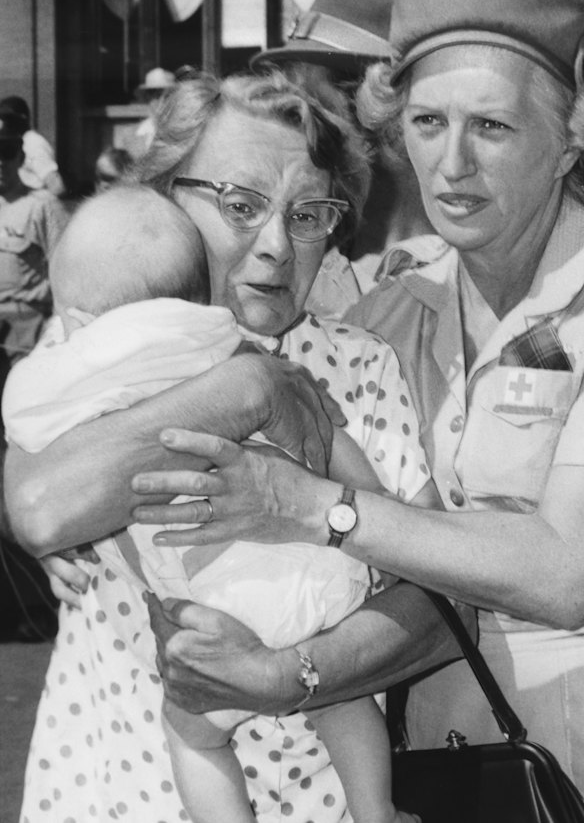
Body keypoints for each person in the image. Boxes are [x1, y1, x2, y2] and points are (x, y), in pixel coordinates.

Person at [113, 0, 584, 799]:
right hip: (437, 766)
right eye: (429, 123)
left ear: (569, 138)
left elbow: (564, 575)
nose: (453, 165)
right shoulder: (389, 314)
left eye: (494, 127)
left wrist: (313, 505)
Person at [5, 71, 445, 823]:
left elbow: (438, 597)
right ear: (166, 197)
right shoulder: (100, 347)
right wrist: (249, 391)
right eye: (241, 206)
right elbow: (43, 508)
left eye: (309, 214)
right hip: (110, 786)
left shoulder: (366, 365)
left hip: (316, 798)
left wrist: (286, 673)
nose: (276, 245)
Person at [251, 0, 432, 317]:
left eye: (309, 102)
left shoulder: (445, 244)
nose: (294, 122)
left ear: (366, 99)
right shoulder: (318, 225)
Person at [0, 100, 69, 365]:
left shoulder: (42, 206)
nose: (0, 162)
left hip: (25, 328)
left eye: (6, 151)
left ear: (19, 156)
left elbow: (65, 273)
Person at [0, 96, 66, 198]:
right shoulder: (13, 142)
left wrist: (30, 203)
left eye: (7, 119)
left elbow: (57, 187)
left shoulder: (33, 143)